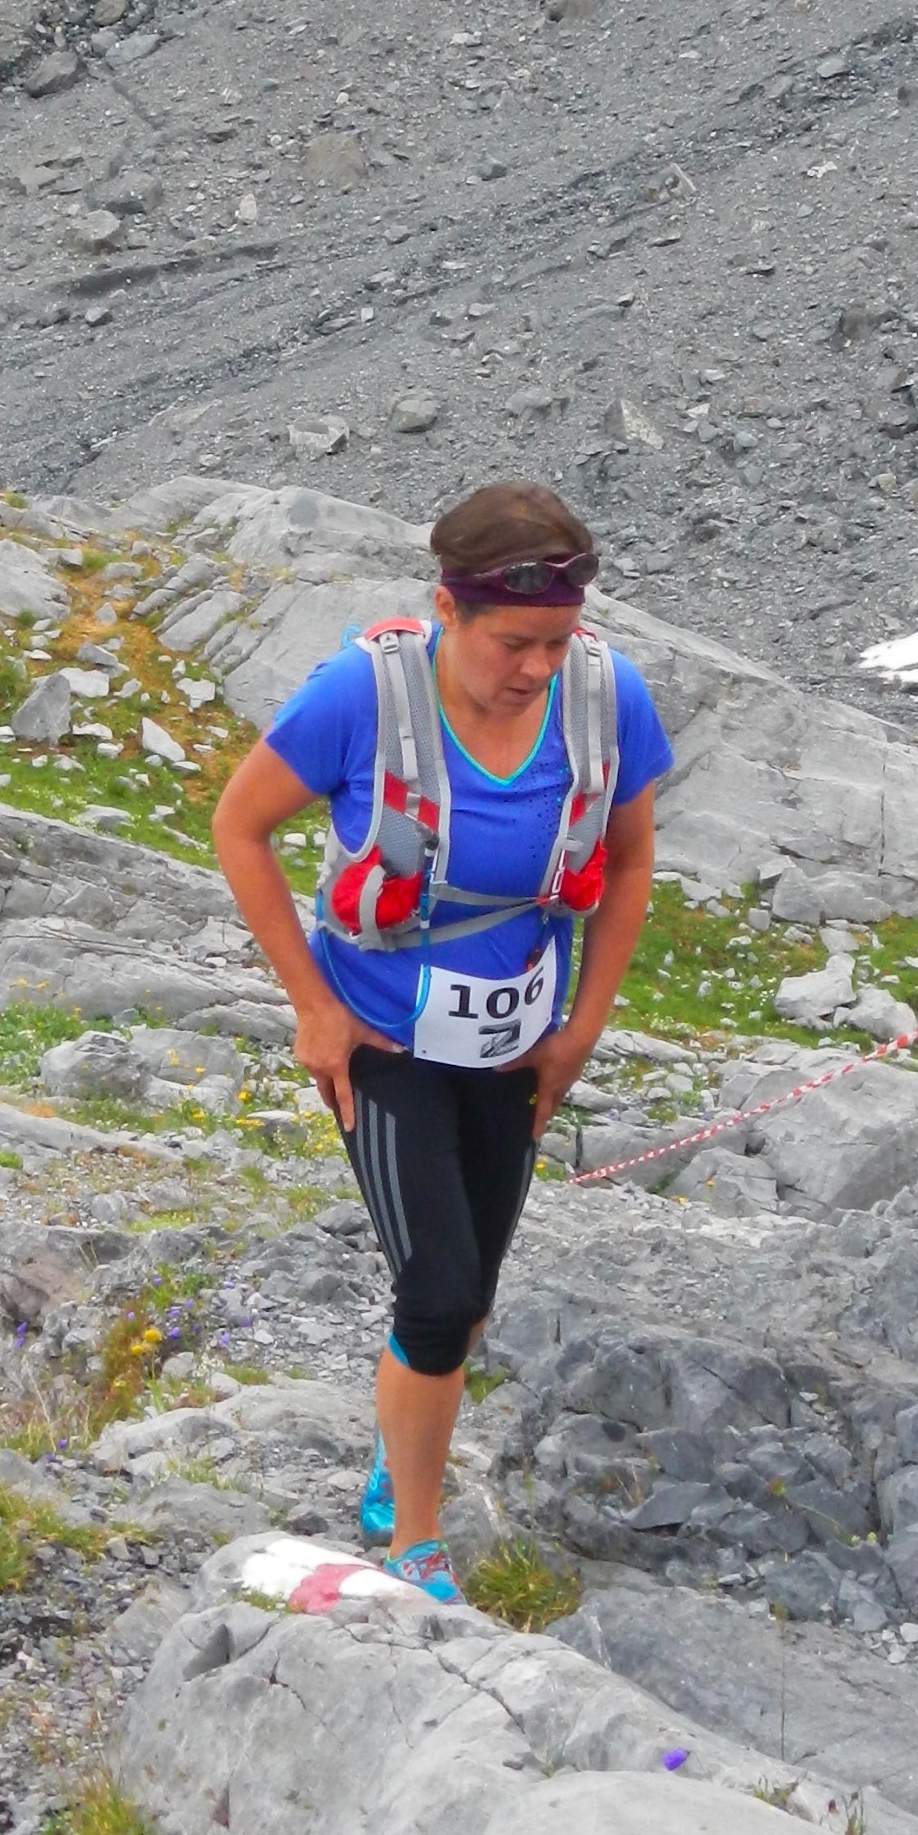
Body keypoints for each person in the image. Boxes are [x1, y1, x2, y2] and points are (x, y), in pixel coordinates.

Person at [211, 481, 671, 1601]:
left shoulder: (605, 697)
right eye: (514, 643)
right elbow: (240, 824)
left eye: (557, 642)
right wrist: (314, 1007)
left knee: (470, 1293)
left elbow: (629, 862)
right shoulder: (361, 695)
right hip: (382, 1036)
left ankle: (400, 1436)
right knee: (438, 1287)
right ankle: (414, 1543)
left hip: (515, 1041)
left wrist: (580, 1033)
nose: (537, 668)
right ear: (447, 610)